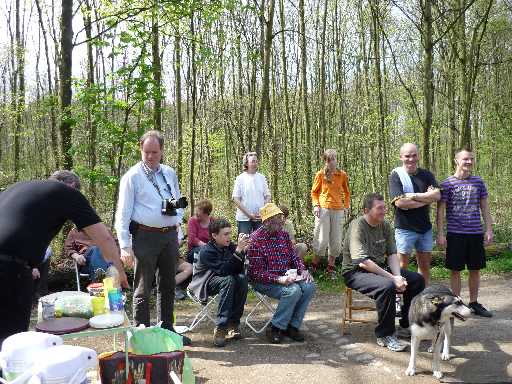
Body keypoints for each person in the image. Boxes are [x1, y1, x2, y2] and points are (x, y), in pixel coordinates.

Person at [0, 170, 128, 344]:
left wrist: (30, 265)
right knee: (10, 344)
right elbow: (105, 238)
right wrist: (120, 273)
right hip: (9, 270)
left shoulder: (18, 188)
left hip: (13, 263)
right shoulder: (67, 193)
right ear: (72, 187)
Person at [115, 130, 191, 345]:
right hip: (145, 236)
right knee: (143, 285)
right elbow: (123, 213)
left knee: (168, 284)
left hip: (169, 236)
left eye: (155, 152)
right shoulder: (132, 177)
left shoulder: (169, 173)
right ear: (141, 149)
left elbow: (177, 201)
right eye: (147, 152)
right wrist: (124, 246)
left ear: (162, 151)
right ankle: (142, 334)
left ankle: (167, 329)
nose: (150, 156)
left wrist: (178, 221)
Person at [342, 193, 425, 352]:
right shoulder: (357, 226)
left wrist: (398, 276)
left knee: (417, 280)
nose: (384, 211)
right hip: (355, 271)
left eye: (385, 207)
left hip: (380, 268)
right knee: (386, 286)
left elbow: (392, 254)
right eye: (379, 208)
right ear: (366, 210)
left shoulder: (385, 225)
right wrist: (393, 279)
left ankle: (406, 326)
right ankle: (385, 335)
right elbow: (363, 262)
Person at [436, 148, 493, 318]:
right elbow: (440, 211)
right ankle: (456, 303)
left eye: (471, 159)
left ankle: (474, 303)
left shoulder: (478, 182)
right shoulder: (447, 184)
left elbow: (484, 207)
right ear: (456, 161)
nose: (469, 162)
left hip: (475, 232)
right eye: (465, 159)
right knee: (455, 270)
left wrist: (489, 229)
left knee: (475, 269)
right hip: (455, 233)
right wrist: (440, 233)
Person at [247, 203, 315, 344]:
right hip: (264, 281)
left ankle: (292, 326)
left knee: (309, 286)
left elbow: (294, 257)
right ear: (266, 221)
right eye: (278, 218)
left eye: (282, 217)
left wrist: (303, 270)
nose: (282, 221)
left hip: (286, 276)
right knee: (293, 291)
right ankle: (275, 327)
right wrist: (279, 279)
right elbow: (255, 273)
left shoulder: (283, 235)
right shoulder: (255, 240)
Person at [188, 218, 250, 347]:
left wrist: (242, 251)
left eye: (230, 233)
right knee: (228, 280)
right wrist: (238, 251)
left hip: (225, 280)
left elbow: (238, 269)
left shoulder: (230, 247)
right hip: (205, 282)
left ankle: (233, 324)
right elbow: (224, 271)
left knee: (242, 279)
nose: (229, 237)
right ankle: (221, 328)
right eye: (225, 234)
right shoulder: (206, 251)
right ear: (214, 236)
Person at [389, 143, 440, 285]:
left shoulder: (427, 175)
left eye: (414, 155)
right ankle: (399, 300)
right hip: (404, 229)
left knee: (424, 268)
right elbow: (400, 203)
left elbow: (437, 196)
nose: (411, 159)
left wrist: (412, 196)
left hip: (425, 229)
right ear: (401, 157)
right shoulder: (396, 175)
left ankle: (422, 299)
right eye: (407, 156)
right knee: (400, 268)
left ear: (418, 156)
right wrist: (426, 199)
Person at [311, 149, 350, 278]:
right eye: (329, 159)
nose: (332, 162)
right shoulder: (320, 174)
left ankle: (330, 268)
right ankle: (314, 266)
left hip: (338, 210)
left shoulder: (342, 175)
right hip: (323, 209)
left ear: (336, 160)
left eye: (334, 159)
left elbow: (347, 192)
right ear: (326, 161)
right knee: (322, 240)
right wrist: (316, 206)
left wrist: (346, 206)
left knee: (336, 241)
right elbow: (314, 192)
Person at [232, 152, 271, 235]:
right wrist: (249, 214)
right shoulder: (240, 178)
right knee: (244, 242)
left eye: (256, 161)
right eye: (253, 161)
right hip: (244, 218)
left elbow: (267, 195)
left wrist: (263, 211)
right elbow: (236, 199)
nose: (255, 163)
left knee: (261, 243)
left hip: (260, 217)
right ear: (246, 163)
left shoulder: (262, 177)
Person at [186, 199, 213, 263]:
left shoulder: (213, 221)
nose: (196, 213)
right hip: (194, 250)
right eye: (196, 210)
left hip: (210, 249)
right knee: (205, 252)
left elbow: (218, 236)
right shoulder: (192, 221)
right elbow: (192, 239)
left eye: (199, 211)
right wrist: (207, 247)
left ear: (206, 213)